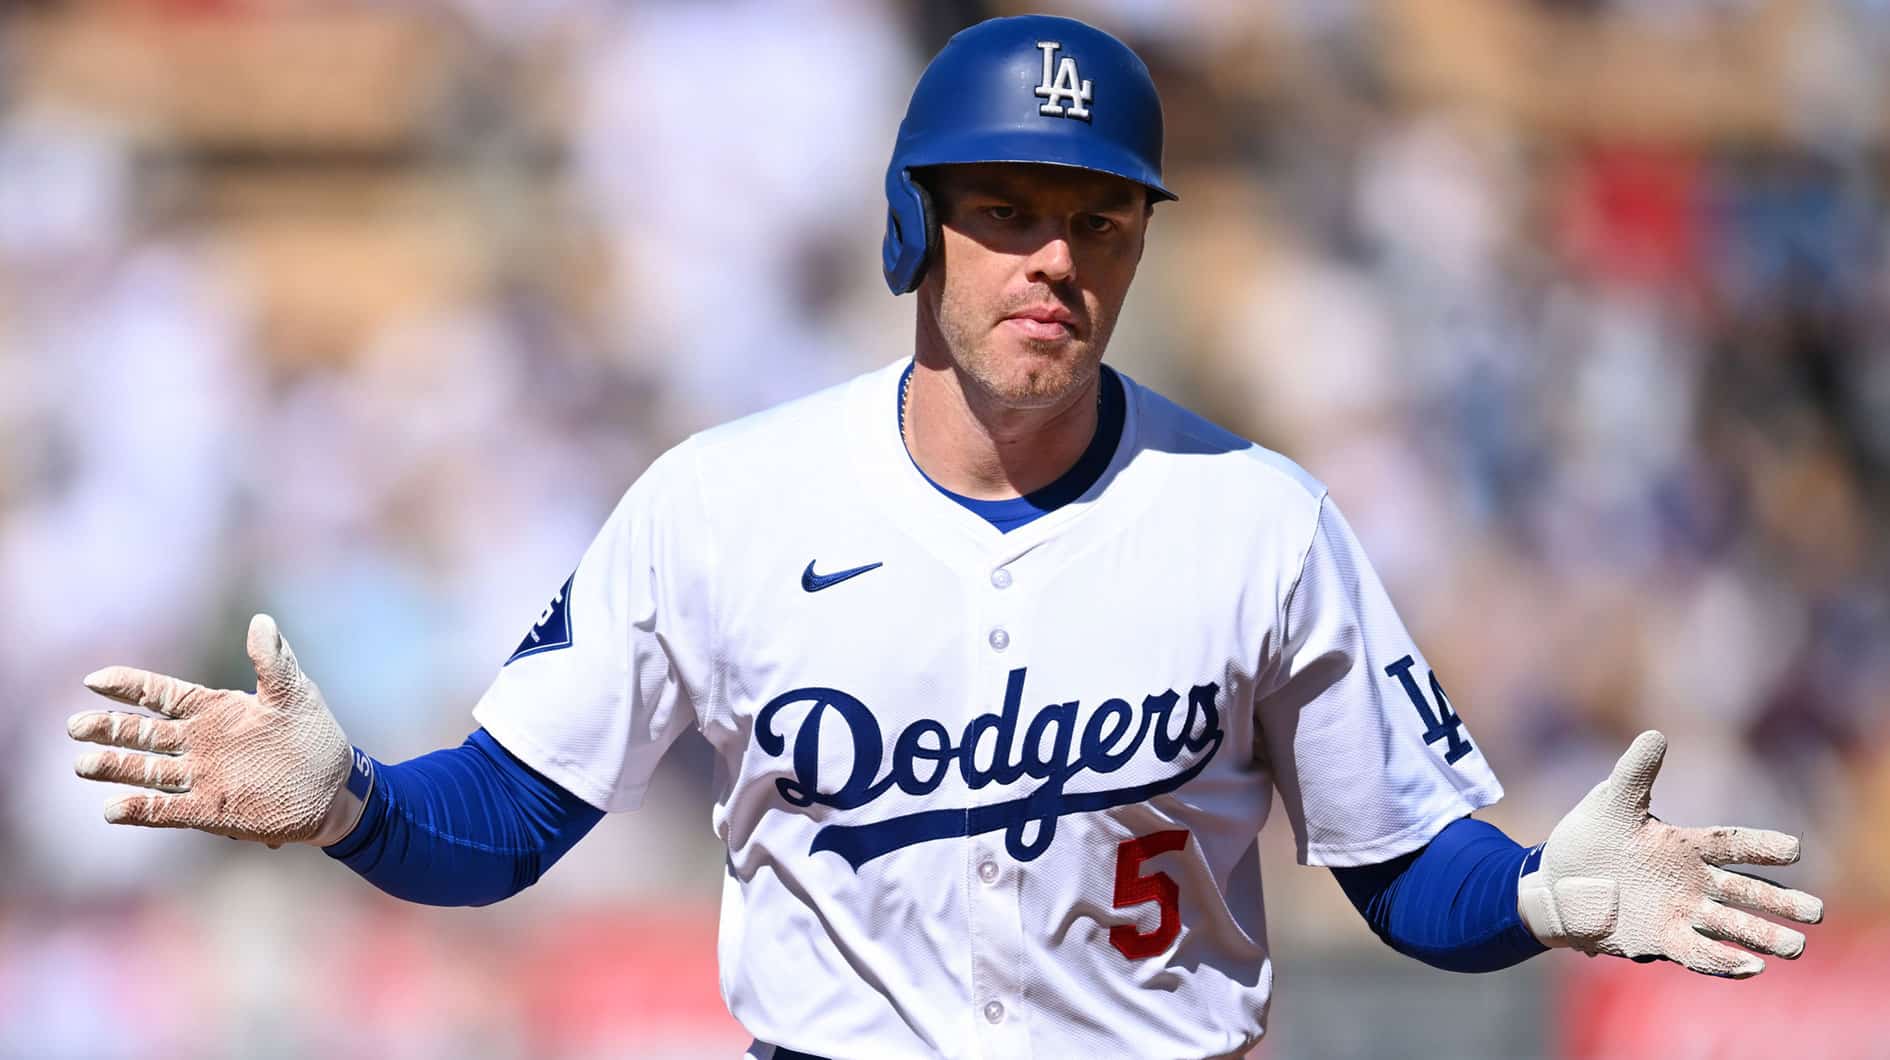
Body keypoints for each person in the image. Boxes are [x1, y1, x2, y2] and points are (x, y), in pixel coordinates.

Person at [68, 15, 1823, 1060]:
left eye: (1097, 219)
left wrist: (1532, 896)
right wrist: (355, 805)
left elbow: (1397, 870)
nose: (1054, 257)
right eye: (1003, 211)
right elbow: (508, 822)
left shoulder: (1259, 523)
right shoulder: (721, 501)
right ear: (919, 230)